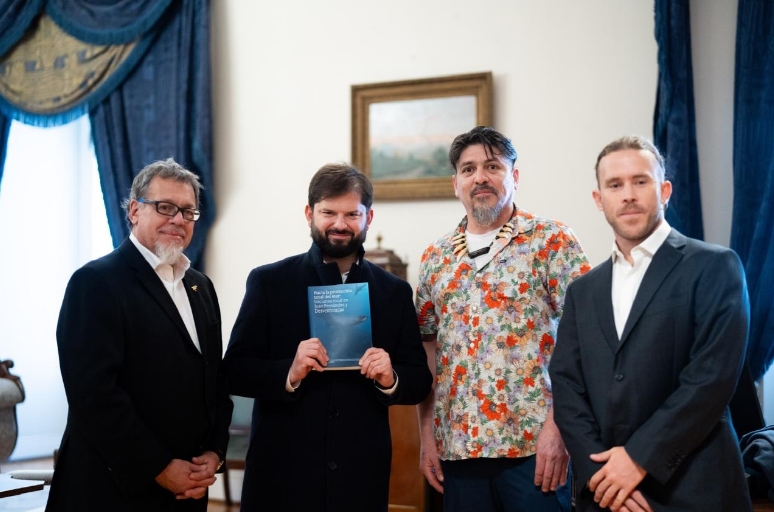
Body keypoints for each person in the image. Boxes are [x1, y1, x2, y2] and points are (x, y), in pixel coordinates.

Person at [549, 135, 753, 512]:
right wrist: (601, 476)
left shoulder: (716, 266)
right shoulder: (583, 290)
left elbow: (711, 380)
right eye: (615, 184)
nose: (628, 194)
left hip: (694, 489)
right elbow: (566, 385)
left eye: (640, 181)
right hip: (606, 494)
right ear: (599, 199)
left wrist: (637, 460)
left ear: (665, 190)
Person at [223, 163, 432, 512]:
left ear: (369, 217)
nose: (339, 224)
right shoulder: (269, 282)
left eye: (352, 213)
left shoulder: (394, 292)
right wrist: (289, 371)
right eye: (328, 212)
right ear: (309, 213)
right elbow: (235, 369)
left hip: (360, 472)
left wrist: (391, 377)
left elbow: (419, 380)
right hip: (282, 471)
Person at [415, 126, 590, 512]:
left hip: (535, 448)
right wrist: (427, 435)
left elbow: (587, 339)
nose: (480, 177)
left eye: (493, 166)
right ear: (455, 183)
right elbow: (428, 349)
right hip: (458, 450)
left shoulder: (552, 241)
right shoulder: (435, 258)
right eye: (469, 169)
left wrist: (559, 429)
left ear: (514, 176)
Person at [47, 159, 233, 512]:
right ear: (134, 210)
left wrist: (214, 452)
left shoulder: (201, 286)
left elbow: (214, 381)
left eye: (188, 211)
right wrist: (160, 468)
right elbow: (94, 395)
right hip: (113, 489)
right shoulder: (96, 283)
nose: (178, 219)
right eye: (165, 207)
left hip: (187, 491)